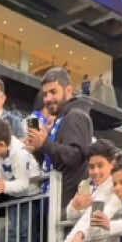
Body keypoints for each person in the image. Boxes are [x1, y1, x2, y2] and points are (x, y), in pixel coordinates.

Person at [23, 67, 93, 198]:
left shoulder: (75, 115)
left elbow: (75, 156)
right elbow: (55, 161)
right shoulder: (61, 118)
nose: (48, 98)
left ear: (68, 90)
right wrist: (38, 149)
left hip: (66, 204)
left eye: (53, 92)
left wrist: (45, 143)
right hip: (54, 201)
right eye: (45, 94)